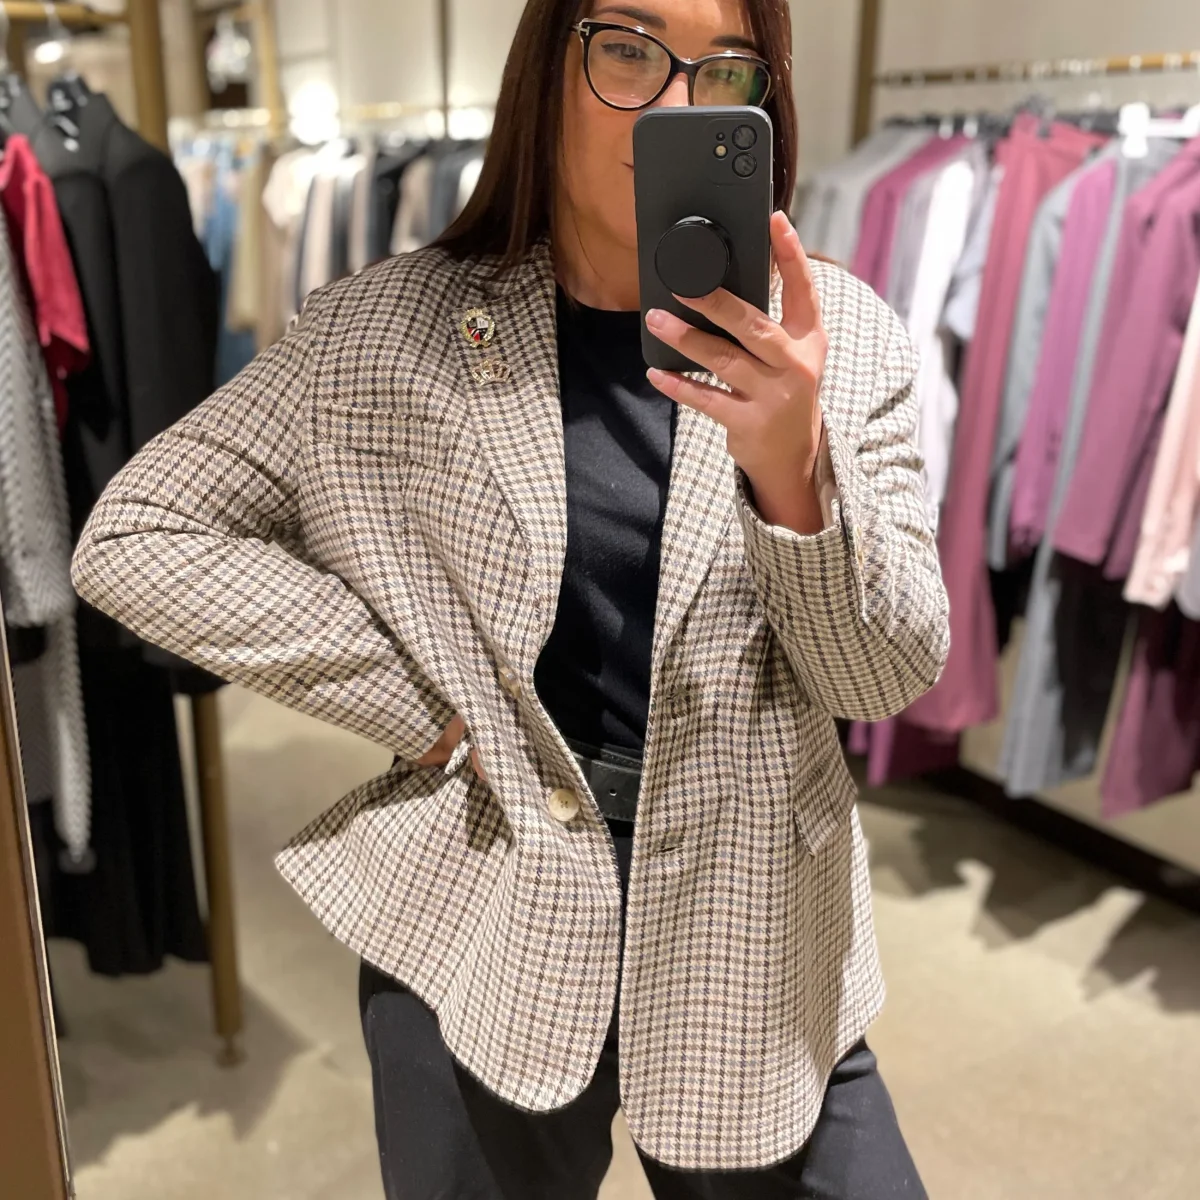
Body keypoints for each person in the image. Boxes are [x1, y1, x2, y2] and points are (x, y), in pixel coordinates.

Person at [71, 0, 949, 1195]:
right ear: (549, 66)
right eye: (628, 49)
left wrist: (792, 473)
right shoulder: (385, 331)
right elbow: (139, 533)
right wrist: (419, 705)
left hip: (759, 919)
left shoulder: (842, 342)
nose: (675, 105)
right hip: (487, 906)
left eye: (726, 71)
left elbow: (882, 675)